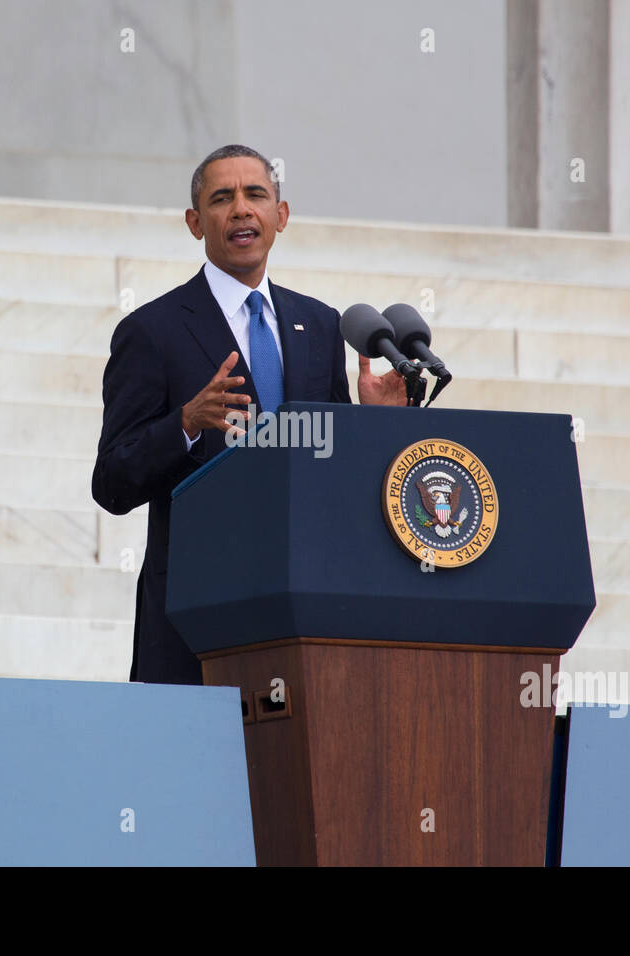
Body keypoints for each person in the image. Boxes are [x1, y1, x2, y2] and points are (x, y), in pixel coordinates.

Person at [92, 144, 406, 685]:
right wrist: (186, 423)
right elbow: (112, 484)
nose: (241, 209)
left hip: (304, 605)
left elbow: (334, 477)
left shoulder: (321, 325)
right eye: (222, 198)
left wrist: (375, 425)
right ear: (195, 223)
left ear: (280, 217)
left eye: (255, 195)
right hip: (195, 613)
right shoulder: (153, 331)